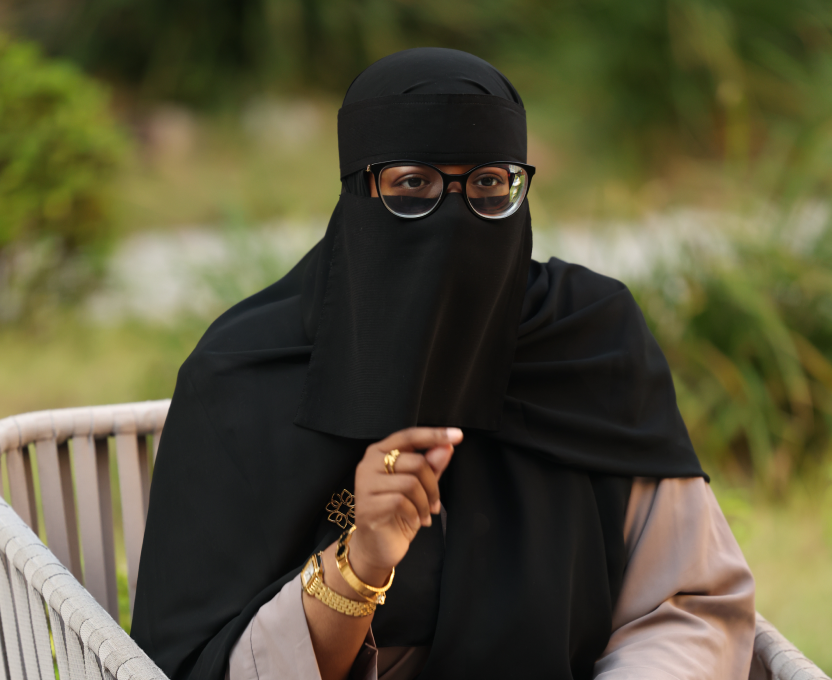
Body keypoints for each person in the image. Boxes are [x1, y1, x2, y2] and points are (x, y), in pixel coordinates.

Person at [131, 48, 756, 680]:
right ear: (358, 190)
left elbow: (686, 606)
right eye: (412, 185)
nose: (455, 215)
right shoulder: (244, 378)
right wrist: (359, 561)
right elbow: (196, 667)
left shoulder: (586, 344)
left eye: (489, 183)